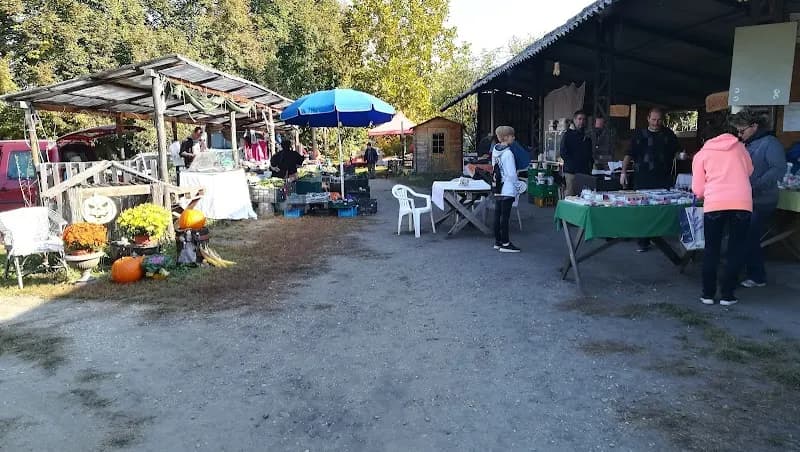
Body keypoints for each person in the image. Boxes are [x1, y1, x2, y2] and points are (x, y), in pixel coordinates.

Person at [692, 130, 753, 306]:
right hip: (742, 202)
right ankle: (728, 295)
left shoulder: (703, 153)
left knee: (712, 249)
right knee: (736, 249)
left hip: (715, 203)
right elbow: (749, 170)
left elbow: (697, 187)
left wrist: (705, 193)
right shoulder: (741, 148)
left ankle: (708, 294)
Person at [731, 109, 786, 289]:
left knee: (749, 233)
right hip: (744, 198)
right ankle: (740, 270)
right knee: (742, 233)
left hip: (762, 199)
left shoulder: (770, 143)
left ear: (754, 126)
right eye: (737, 131)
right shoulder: (746, 143)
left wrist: (756, 186)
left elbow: (778, 169)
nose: (739, 135)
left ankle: (757, 275)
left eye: (742, 131)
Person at [621, 107, 681, 252]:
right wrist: (623, 172)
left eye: (659, 119)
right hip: (643, 177)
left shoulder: (668, 134)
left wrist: (682, 156)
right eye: (653, 119)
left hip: (663, 177)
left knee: (661, 209)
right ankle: (643, 241)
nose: (656, 122)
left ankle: (657, 237)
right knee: (644, 209)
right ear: (648, 119)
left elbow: (677, 151)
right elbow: (628, 154)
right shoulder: (639, 134)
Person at [492, 126, 521, 253]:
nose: (513, 137)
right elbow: (512, 174)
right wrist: (518, 185)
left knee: (497, 214)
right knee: (505, 216)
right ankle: (505, 243)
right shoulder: (508, 153)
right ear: (505, 137)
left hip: (498, 185)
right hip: (507, 187)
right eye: (511, 136)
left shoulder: (495, 150)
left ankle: (498, 241)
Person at [560, 110, 594, 196]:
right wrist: (572, 164)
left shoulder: (587, 136)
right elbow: (563, 152)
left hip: (584, 172)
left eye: (584, 119)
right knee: (571, 196)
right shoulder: (568, 135)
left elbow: (590, 153)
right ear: (574, 120)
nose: (582, 121)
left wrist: (590, 166)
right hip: (572, 172)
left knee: (584, 196)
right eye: (579, 119)